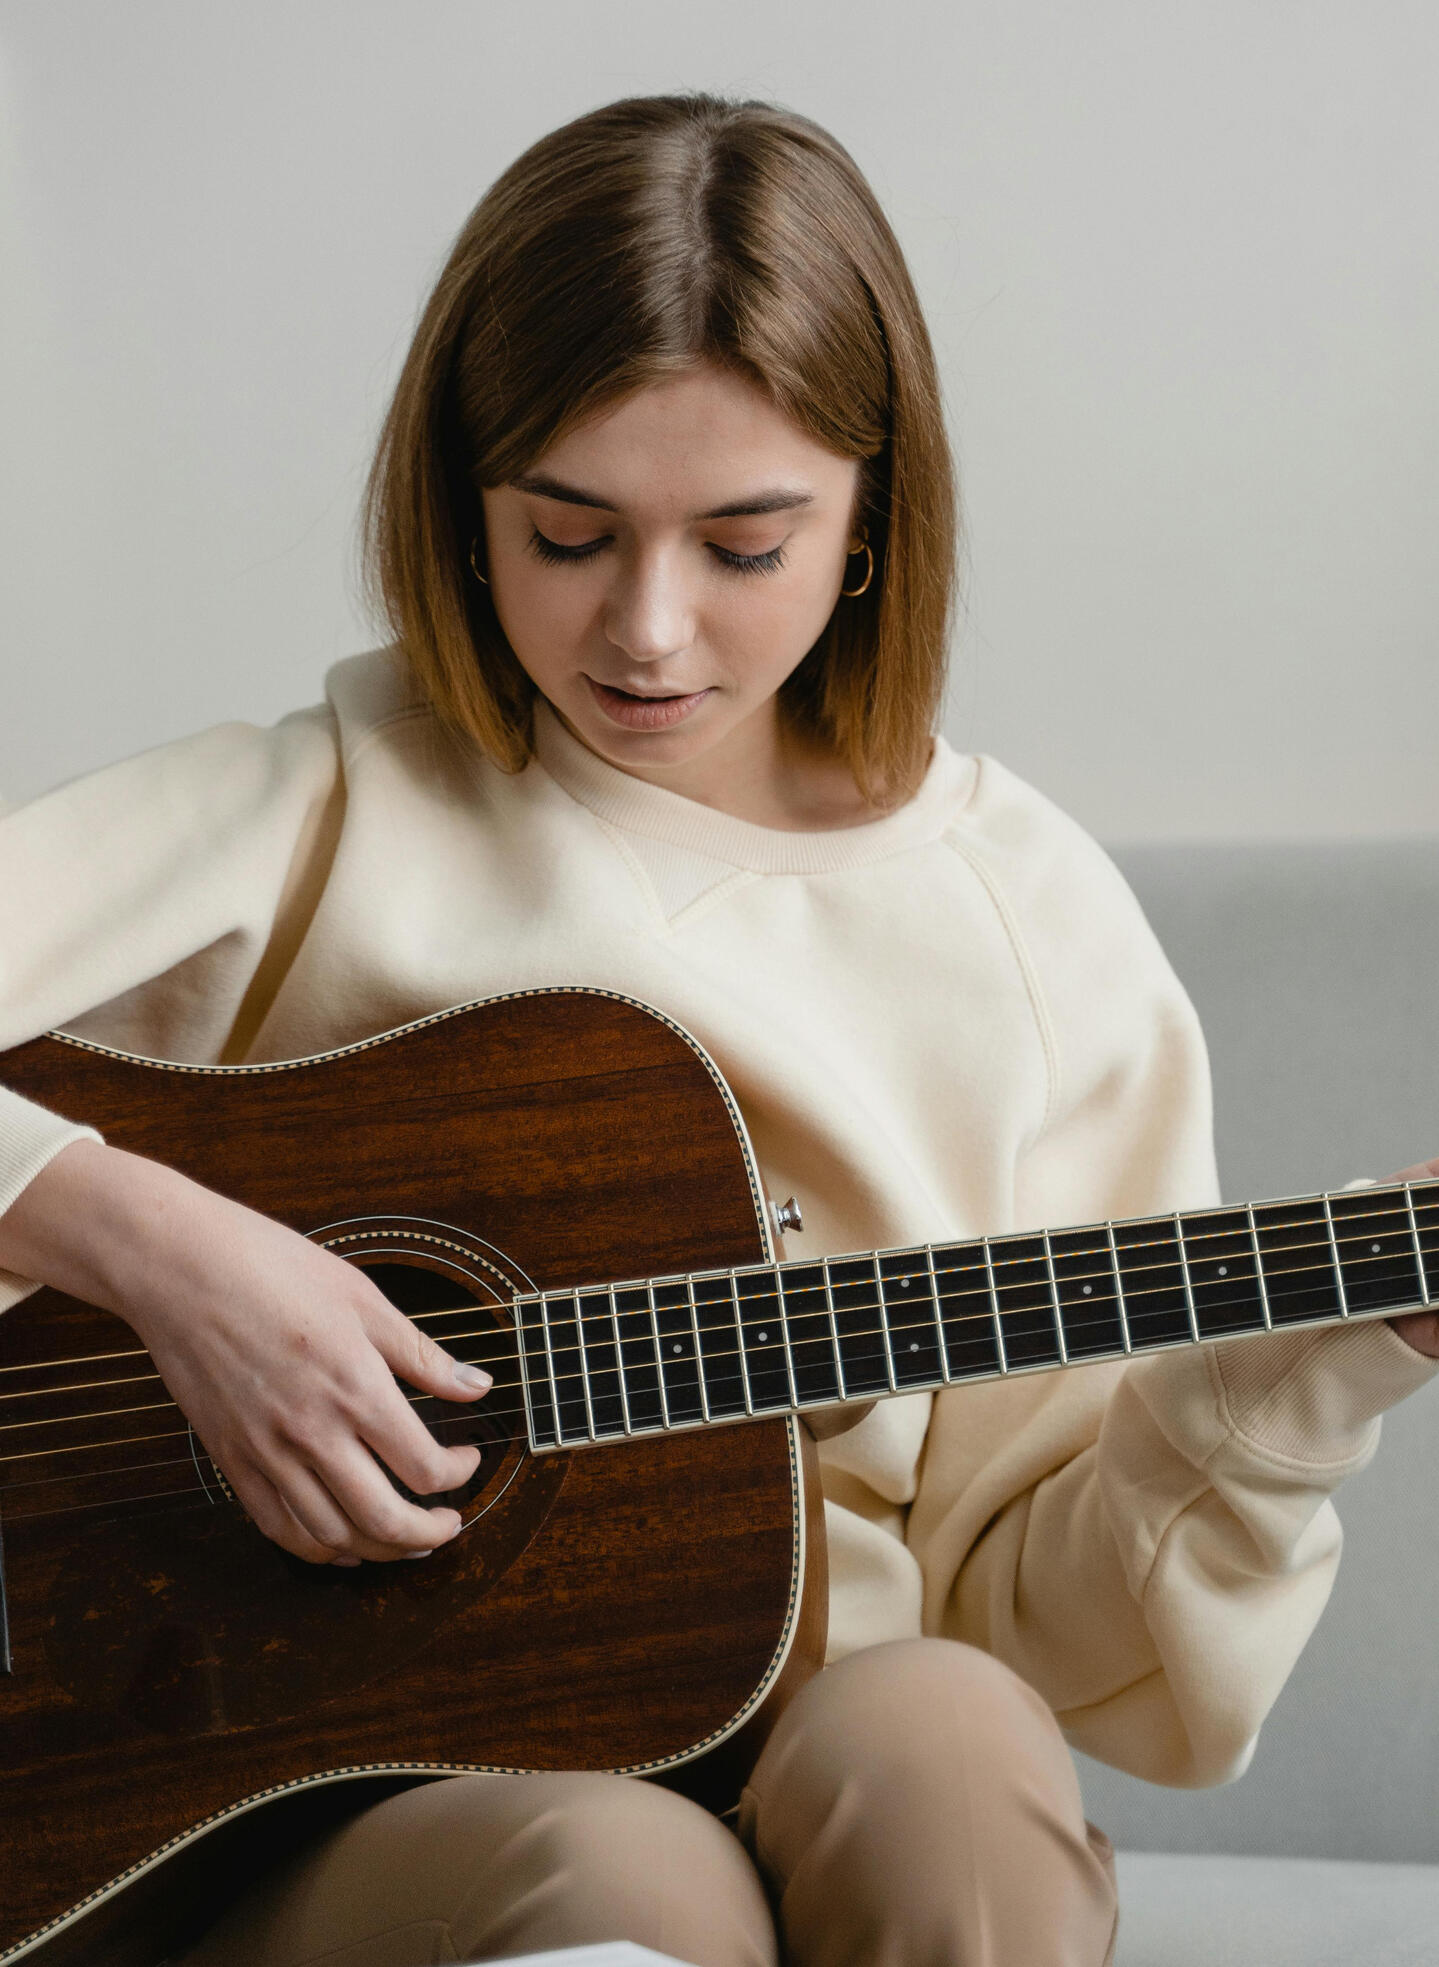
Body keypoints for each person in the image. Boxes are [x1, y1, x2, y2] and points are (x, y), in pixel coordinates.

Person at [1, 92, 1435, 1967]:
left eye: (743, 547)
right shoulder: (324, 809)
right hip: (321, 1764)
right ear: (464, 500)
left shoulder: (1031, 929)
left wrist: (1312, 1366)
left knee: (952, 1743)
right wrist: (167, 1255)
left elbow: (1035, 1629)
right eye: (566, 534)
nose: (648, 633)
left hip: (839, 1706)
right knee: (623, 1884)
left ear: (865, 530)